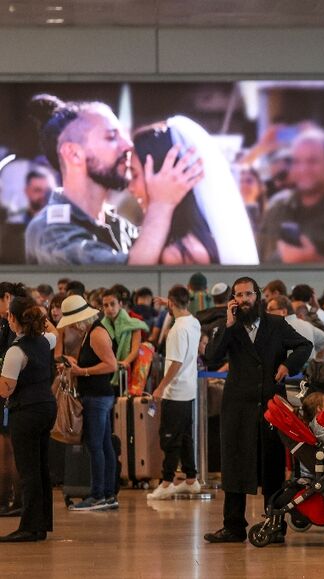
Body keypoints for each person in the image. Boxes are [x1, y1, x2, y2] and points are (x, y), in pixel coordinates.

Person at [24, 94, 203, 265]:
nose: (128, 145)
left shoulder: (116, 224)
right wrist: (162, 203)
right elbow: (128, 279)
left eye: (124, 135)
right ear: (74, 154)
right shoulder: (50, 232)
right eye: (111, 137)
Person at [203, 277, 312, 544]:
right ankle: (233, 526)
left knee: (272, 465)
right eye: (238, 295)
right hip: (237, 406)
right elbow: (212, 358)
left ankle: (273, 525)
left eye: (247, 294)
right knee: (235, 463)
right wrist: (228, 326)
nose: (243, 300)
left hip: (269, 405)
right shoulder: (228, 327)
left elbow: (304, 346)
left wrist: (288, 365)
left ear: (257, 296)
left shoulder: (275, 324)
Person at [130, 117, 259, 265]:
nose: (130, 187)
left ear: (162, 172)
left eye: (134, 175)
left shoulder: (179, 255)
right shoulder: (200, 238)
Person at [0, 297, 58, 541]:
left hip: (26, 411)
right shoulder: (45, 341)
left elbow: (6, 389)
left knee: (28, 470)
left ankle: (29, 527)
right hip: (46, 407)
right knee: (41, 467)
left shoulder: (16, 350)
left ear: (13, 319)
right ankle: (41, 523)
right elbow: (55, 330)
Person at [58, 294, 119, 511]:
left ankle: (98, 495)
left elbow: (111, 365)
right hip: (98, 396)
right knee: (103, 445)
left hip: (97, 397)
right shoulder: (91, 332)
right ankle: (108, 494)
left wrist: (81, 371)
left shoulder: (96, 333)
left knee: (96, 446)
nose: (73, 327)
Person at [258, 128, 324, 262]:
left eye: (312, 161)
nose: (303, 169)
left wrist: (314, 261)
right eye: (297, 161)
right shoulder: (277, 206)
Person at [147, 286, 202, 500]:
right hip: (189, 388)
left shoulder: (177, 329)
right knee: (185, 436)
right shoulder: (193, 322)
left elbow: (176, 362)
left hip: (175, 391)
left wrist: (160, 386)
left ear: (171, 303)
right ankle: (191, 479)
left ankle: (167, 482)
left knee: (170, 438)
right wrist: (168, 301)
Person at [0, 282, 28, 517]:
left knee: (11, 450)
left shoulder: (20, 332)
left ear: (7, 297)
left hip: (15, 397)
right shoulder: (8, 325)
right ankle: (12, 499)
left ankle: (16, 500)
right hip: (13, 397)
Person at [101, 286, 148, 388]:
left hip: (128, 369)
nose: (110, 308)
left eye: (113, 304)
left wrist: (125, 362)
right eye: (106, 305)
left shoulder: (134, 324)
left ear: (120, 304)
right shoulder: (100, 326)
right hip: (107, 371)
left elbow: (135, 350)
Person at [266, 295, 324, 361]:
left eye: (270, 310)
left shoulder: (279, 328)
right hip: (309, 369)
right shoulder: (307, 325)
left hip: (286, 369)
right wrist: (317, 362)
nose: (267, 313)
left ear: (284, 312)